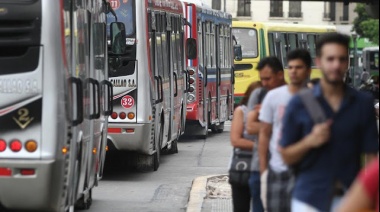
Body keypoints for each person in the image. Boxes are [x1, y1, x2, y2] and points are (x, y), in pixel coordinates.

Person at [280, 33, 379, 212]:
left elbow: (371, 159)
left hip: (351, 199)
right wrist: (310, 141)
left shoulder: (363, 103)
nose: (336, 65)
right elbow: (285, 155)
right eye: (330, 59)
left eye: (341, 59)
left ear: (348, 62)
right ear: (319, 62)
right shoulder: (299, 103)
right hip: (308, 199)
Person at [258, 49, 312, 212]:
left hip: (306, 172)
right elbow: (264, 133)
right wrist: (263, 172)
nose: (294, 72)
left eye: (299, 67)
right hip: (277, 170)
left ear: (308, 70)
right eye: (291, 67)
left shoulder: (315, 98)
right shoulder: (273, 97)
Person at [245, 56, 286, 212]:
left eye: (268, 79)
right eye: (262, 79)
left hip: (285, 169)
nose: (265, 83)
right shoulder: (259, 94)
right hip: (258, 167)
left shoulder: (292, 94)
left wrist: (266, 120)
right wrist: (279, 123)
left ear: (280, 75)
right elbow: (250, 127)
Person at [229, 81, 262, 212]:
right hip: (243, 168)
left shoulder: (272, 112)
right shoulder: (242, 111)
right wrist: (262, 147)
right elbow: (236, 141)